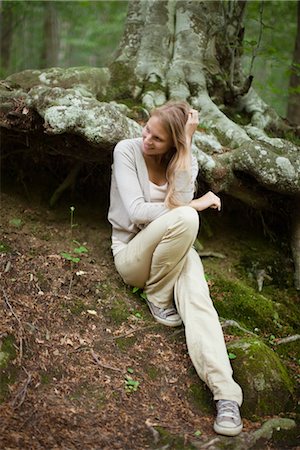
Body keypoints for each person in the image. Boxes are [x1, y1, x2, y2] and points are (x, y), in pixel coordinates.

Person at [108, 101, 243, 437]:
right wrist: (195, 204)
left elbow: (180, 206)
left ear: (174, 144)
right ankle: (156, 294)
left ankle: (226, 397)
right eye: (147, 129)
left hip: (173, 250)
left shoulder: (184, 160)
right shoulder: (127, 150)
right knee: (187, 215)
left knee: (199, 299)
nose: (146, 139)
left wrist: (188, 146)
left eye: (157, 139)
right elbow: (139, 212)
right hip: (132, 255)